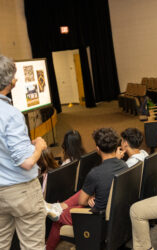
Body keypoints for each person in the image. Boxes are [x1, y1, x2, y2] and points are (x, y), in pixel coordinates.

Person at [46, 128, 128, 250]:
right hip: (114, 213)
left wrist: (90, 197)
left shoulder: (95, 173)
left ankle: (48, 247)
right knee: (86, 191)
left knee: (58, 218)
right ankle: (59, 207)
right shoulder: (123, 164)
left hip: (96, 218)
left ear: (98, 149)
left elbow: (82, 202)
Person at [0, 54, 47, 249]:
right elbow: (26, 162)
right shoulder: (11, 114)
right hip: (21, 191)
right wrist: (39, 147)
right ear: (11, 81)